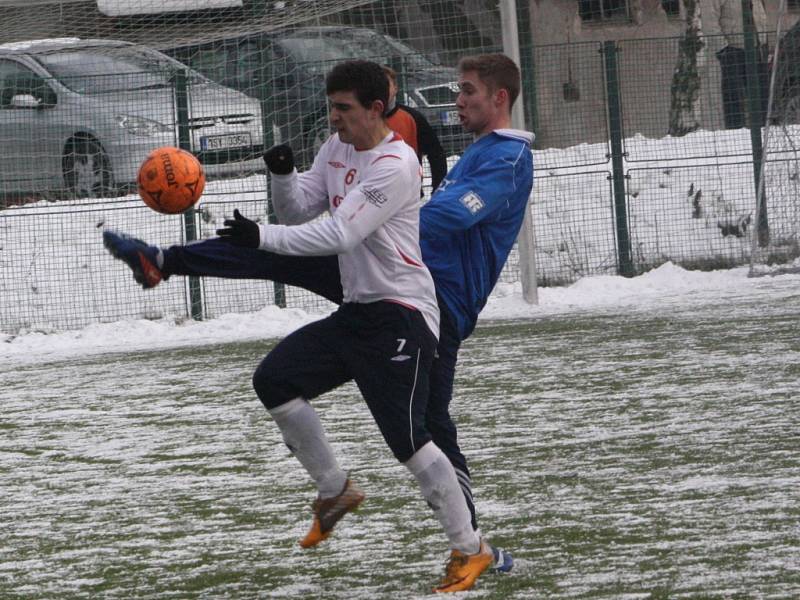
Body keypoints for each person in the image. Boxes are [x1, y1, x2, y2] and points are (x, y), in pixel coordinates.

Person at [104, 52, 533, 578]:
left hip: (431, 301)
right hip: (376, 287)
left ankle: (473, 544)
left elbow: (440, 217)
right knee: (282, 334)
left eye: (467, 91)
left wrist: (378, 211)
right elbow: (309, 215)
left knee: (423, 429)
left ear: (499, 98)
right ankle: (164, 261)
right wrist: (323, 196)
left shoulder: (505, 159)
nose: (457, 99)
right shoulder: (411, 150)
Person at [382, 65, 448, 193]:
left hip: (409, 195)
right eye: (377, 86)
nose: (382, 90)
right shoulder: (363, 120)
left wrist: (437, 190)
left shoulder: (413, 118)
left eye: (386, 85)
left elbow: (436, 153)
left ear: (395, 88)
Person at [706, 0, 769, 128]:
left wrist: (764, 41)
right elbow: (709, 21)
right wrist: (723, 48)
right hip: (733, 48)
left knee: (761, 95)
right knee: (734, 95)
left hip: (757, 48)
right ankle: (735, 132)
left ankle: (762, 129)